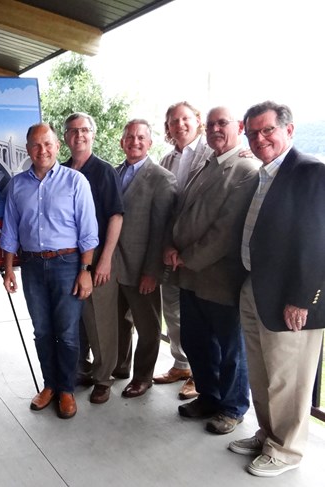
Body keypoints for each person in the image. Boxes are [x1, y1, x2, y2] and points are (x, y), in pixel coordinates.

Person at [229, 101, 325, 477]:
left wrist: (301, 299)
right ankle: (268, 435)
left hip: (291, 297)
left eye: (267, 130)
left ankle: (286, 451)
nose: (259, 138)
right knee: (262, 372)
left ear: (288, 130)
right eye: (252, 132)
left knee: (289, 376)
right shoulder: (263, 175)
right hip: (256, 286)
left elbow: (317, 242)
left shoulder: (310, 173)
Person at [165, 106, 258, 434]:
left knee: (230, 348)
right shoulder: (208, 164)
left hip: (220, 278)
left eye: (223, 123)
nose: (216, 129)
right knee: (196, 341)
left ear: (239, 127)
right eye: (212, 124)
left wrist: (185, 256)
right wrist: (173, 248)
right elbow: (182, 212)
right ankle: (209, 396)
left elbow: (225, 232)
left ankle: (232, 407)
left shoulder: (245, 169)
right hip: (190, 276)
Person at [0, 122, 98, 419]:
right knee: (42, 331)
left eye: (48, 144)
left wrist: (86, 270)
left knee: (67, 333)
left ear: (57, 146)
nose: (42, 150)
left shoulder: (75, 182)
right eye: (35, 145)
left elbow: (88, 231)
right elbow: (10, 230)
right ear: (28, 149)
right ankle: (49, 385)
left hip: (68, 265)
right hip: (31, 265)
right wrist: (8, 270)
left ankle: (66, 389)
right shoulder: (17, 185)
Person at [62, 112, 123, 404]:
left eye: (84, 130)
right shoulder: (59, 171)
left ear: (93, 134)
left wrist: (106, 259)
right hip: (66, 257)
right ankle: (81, 369)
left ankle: (103, 378)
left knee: (101, 321)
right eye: (73, 131)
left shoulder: (104, 171)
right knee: (75, 319)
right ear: (65, 137)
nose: (79, 135)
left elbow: (115, 216)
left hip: (97, 254)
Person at [113, 119, 176, 398]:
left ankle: (143, 377)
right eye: (129, 137)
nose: (134, 142)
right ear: (122, 142)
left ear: (150, 143)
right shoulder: (113, 173)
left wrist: (153, 272)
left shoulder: (162, 179)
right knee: (118, 322)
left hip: (143, 269)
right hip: (113, 267)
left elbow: (163, 231)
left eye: (141, 138)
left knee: (148, 328)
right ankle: (120, 367)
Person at [154, 101, 212, 400]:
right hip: (170, 250)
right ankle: (181, 364)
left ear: (197, 120)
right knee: (172, 310)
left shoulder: (211, 154)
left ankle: (200, 375)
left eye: (185, 118)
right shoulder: (166, 160)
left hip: (199, 253)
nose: (179, 125)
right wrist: (167, 245)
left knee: (196, 317)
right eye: (173, 121)